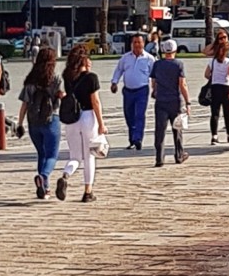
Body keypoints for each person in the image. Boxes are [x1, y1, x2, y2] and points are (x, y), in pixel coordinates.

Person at [56, 43, 106, 202]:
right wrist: (101, 124)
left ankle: (65, 175)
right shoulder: (92, 78)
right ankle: (88, 192)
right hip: (87, 116)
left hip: (72, 118)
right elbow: (95, 102)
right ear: (84, 60)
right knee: (89, 156)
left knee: (75, 156)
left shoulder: (67, 76)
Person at [16, 44, 63, 199]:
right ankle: (43, 177)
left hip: (33, 122)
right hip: (51, 119)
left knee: (41, 153)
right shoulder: (55, 79)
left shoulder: (30, 81)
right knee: (52, 155)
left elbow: (24, 104)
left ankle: (45, 188)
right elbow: (63, 96)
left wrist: (20, 123)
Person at [150, 38, 190, 167]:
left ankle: (159, 158)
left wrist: (155, 91)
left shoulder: (157, 64)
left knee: (160, 130)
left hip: (161, 100)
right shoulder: (179, 64)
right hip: (175, 101)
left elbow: (153, 82)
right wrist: (188, 102)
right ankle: (179, 155)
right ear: (175, 50)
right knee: (177, 129)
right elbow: (182, 84)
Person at [109, 33, 153, 151]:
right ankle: (132, 139)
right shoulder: (125, 58)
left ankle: (138, 139)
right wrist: (114, 82)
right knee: (129, 115)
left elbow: (154, 75)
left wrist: (156, 89)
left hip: (142, 90)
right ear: (131, 44)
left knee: (139, 115)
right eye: (135, 42)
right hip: (128, 91)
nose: (137, 45)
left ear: (144, 43)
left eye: (139, 42)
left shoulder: (149, 58)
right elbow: (119, 70)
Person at [203, 32, 229, 143]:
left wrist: (213, 77)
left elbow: (206, 74)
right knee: (227, 114)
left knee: (215, 113)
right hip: (226, 87)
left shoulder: (212, 61)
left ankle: (214, 136)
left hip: (215, 87)